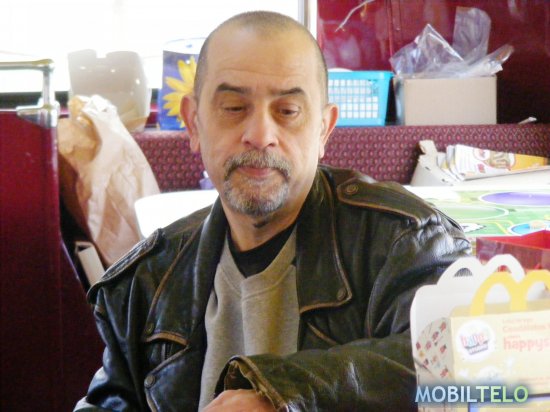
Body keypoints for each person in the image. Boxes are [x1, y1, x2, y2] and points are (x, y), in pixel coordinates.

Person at [75, 10, 470, 412]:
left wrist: (280, 396)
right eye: (234, 107)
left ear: (324, 129)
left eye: (288, 111)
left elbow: (474, 367)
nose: (260, 135)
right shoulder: (145, 283)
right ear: (193, 123)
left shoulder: (406, 243)